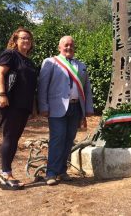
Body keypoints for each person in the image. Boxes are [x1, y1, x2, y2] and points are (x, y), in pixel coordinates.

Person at [38, 36, 94, 185]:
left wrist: (88, 108)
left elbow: (87, 88)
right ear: (59, 47)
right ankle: (50, 173)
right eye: (66, 45)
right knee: (58, 138)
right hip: (57, 108)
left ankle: (62, 171)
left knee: (69, 140)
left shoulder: (81, 65)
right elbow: (43, 86)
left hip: (76, 108)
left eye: (71, 45)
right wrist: (43, 106)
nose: (69, 48)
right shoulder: (50, 62)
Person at [0, 27, 38, 190]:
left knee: (14, 138)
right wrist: (2, 94)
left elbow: (31, 87)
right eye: (22, 38)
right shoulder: (10, 54)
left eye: (28, 38)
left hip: (24, 106)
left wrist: (33, 107)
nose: (26, 41)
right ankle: (5, 174)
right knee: (10, 137)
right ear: (15, 40)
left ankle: (6, 173)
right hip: (12, 103)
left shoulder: (29, 61)